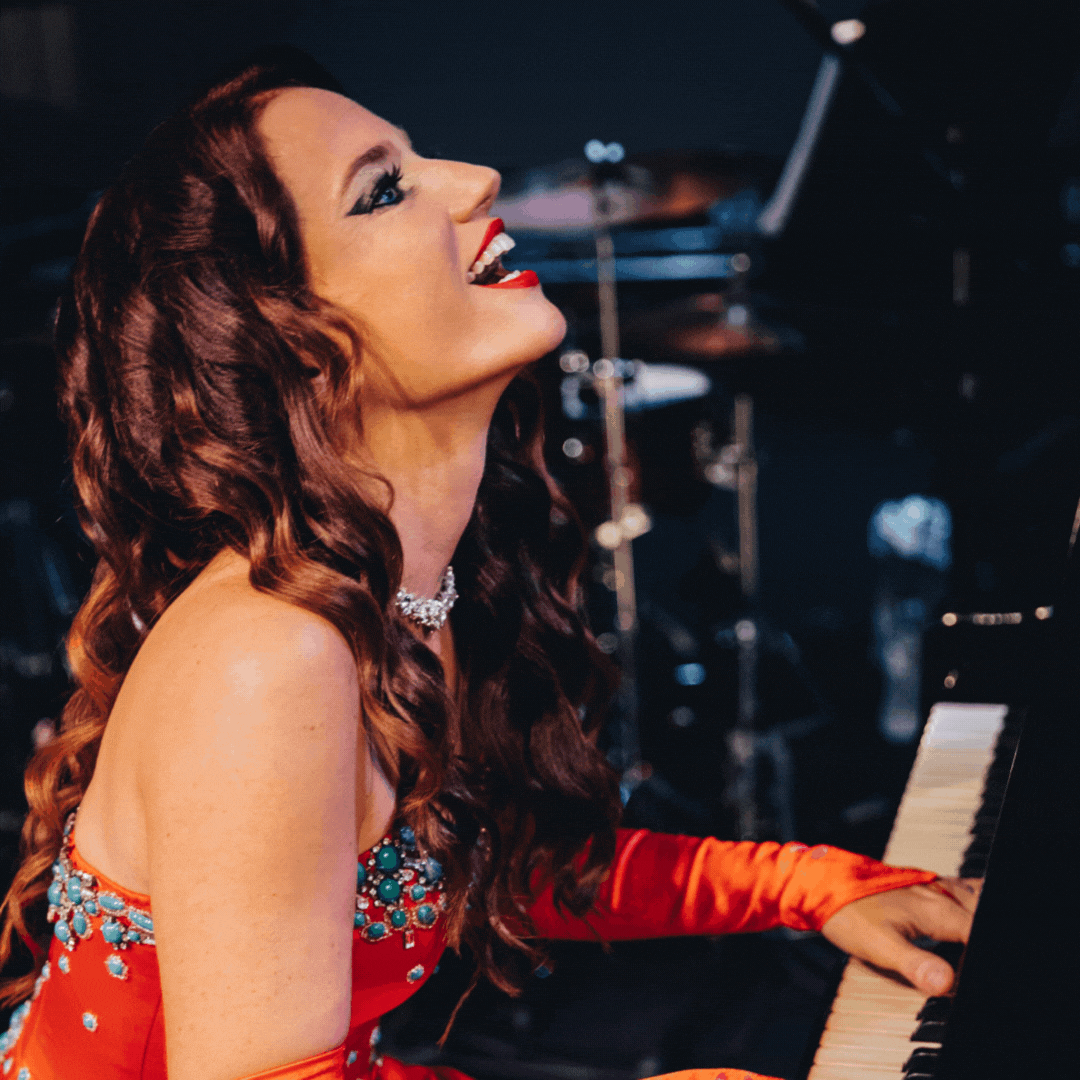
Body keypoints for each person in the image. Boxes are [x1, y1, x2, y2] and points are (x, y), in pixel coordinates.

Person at [0, 47, 978, 1080]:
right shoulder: (268, 659)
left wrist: (813, 885)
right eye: (385, 189)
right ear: (292, 341)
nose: (477, 181)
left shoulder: (401, 589)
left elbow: (484, 867)